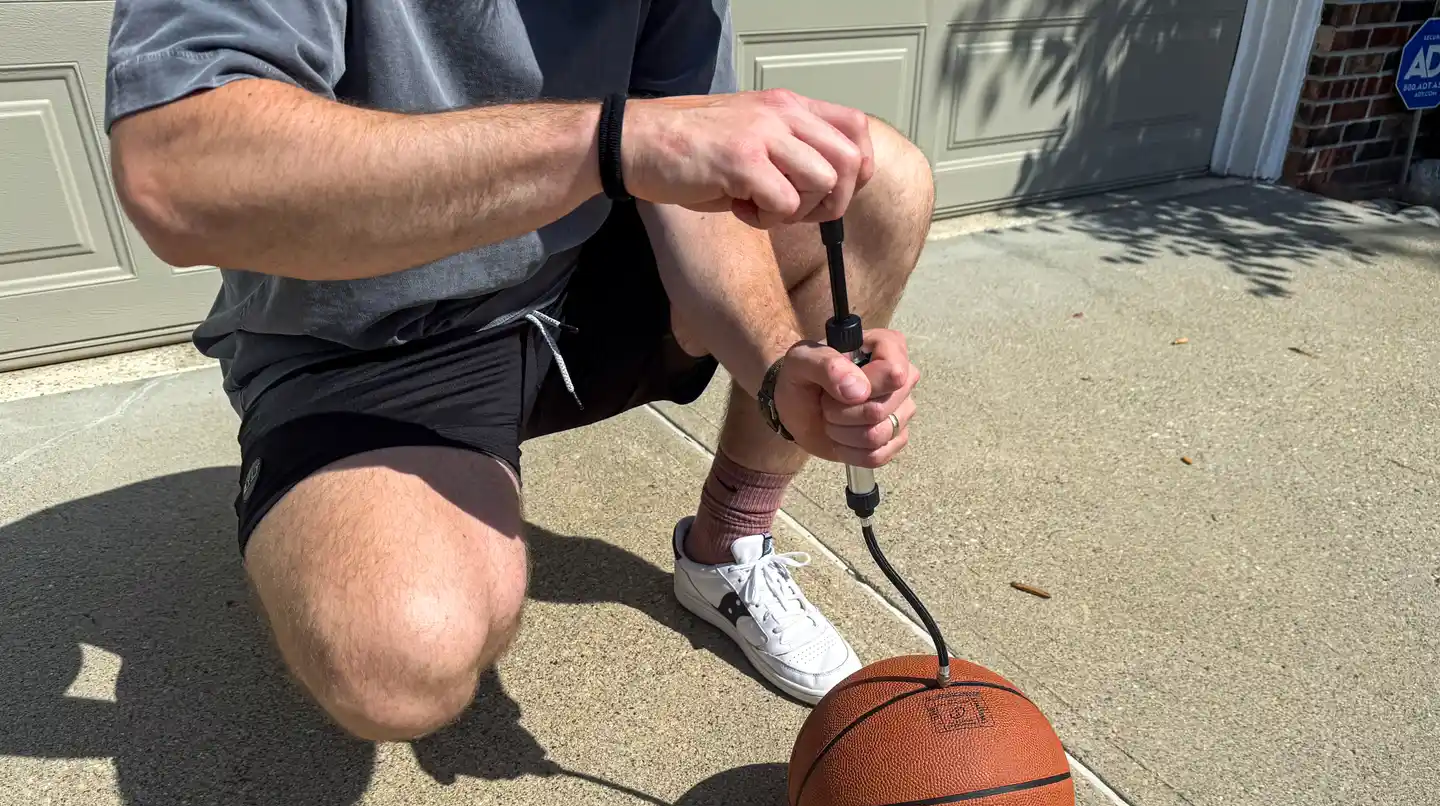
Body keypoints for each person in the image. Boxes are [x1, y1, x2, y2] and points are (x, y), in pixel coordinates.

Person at [103, 0, 934, 740]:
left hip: (570, 274)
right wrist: (614, 141)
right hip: (371, 334)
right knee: (399, 661)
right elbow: (176, 172)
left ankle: (728, 547)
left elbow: (693, 181)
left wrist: (777, 367)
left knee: (875, 178)